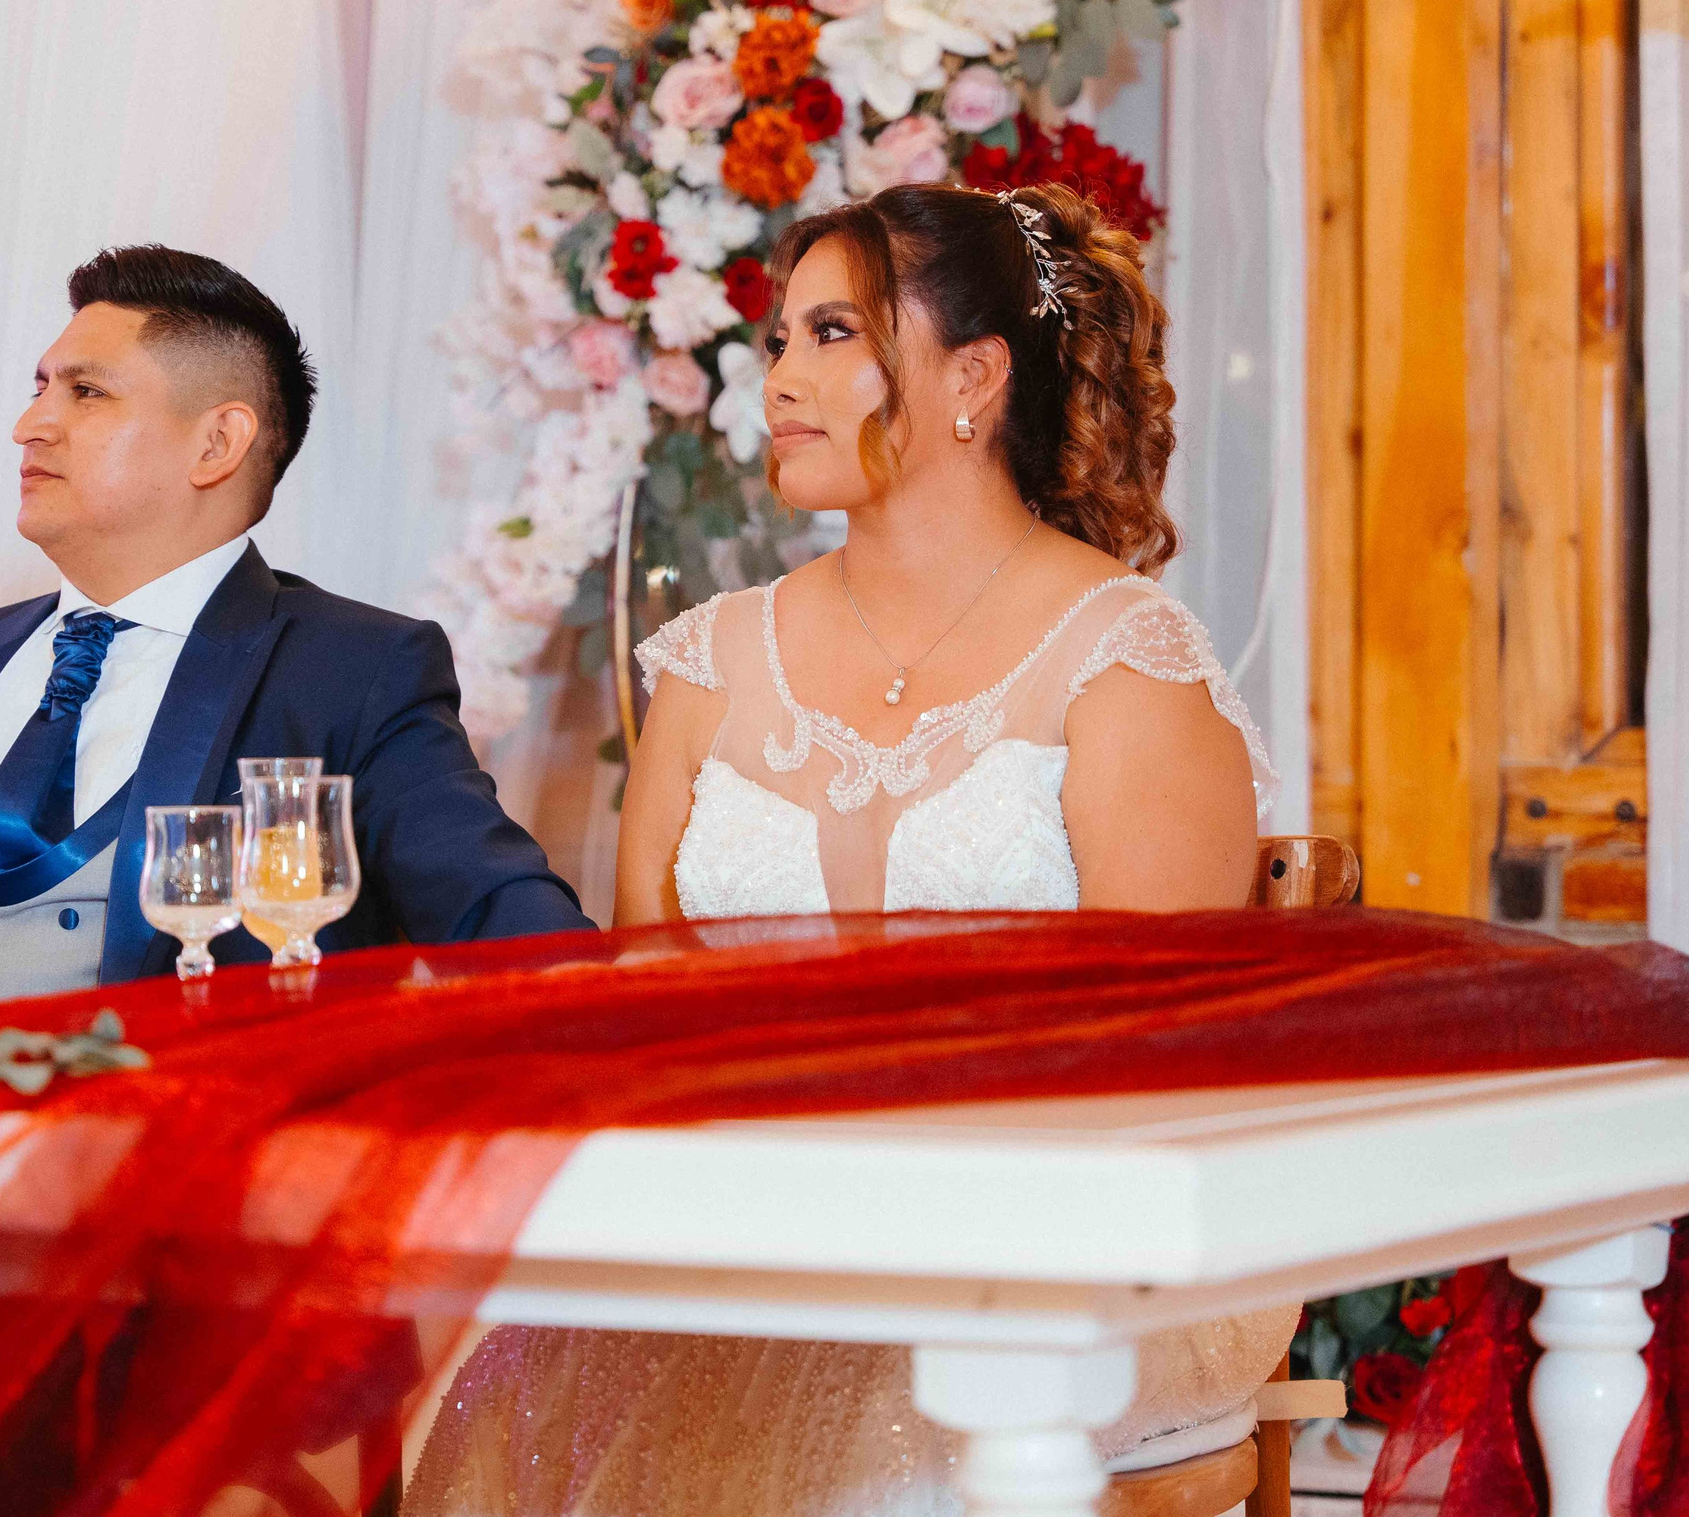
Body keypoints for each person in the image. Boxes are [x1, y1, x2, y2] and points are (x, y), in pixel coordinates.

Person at [408, 183, 1289, 1511]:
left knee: (870, 1439)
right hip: (759, 1232)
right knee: (502, 1391)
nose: (779, 380)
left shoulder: (1121, 660)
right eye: (775, 343)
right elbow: (642, 1003)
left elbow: (1156, 1055)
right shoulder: (708, 663)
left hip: (1064, 1257)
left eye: (831, 334)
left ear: (973, 377)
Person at [0, 245, 590, 1003]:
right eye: (39, 387)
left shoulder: (353, 673)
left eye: (85, 392)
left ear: (217, 444)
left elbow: (519, 943)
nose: (30, 426)